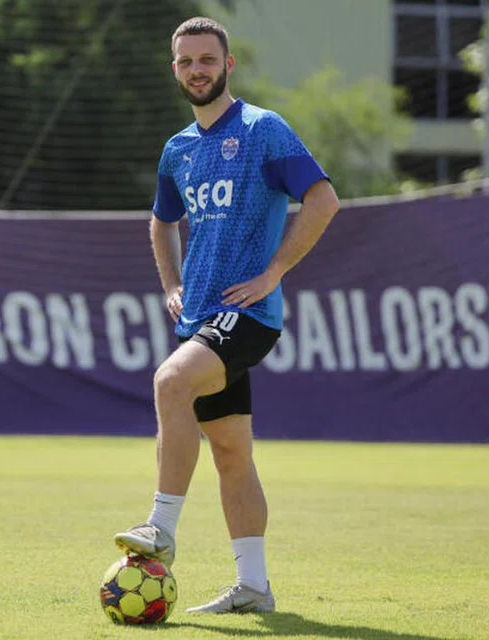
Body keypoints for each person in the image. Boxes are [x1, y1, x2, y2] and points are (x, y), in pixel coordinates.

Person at [113, 16, 341, 615]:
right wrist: (171, 283)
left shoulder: (263, 130)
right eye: (186, 61)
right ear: (175, 70)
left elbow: (323, 199)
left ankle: (161, 529)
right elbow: (161, 221)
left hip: (249, 314)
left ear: (228, 64)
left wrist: (274, 273)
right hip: (201, 319)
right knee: (231, 454)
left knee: (170, 381)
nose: (197, 70)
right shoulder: (178, 149)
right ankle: (255, 587)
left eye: (207, 60)